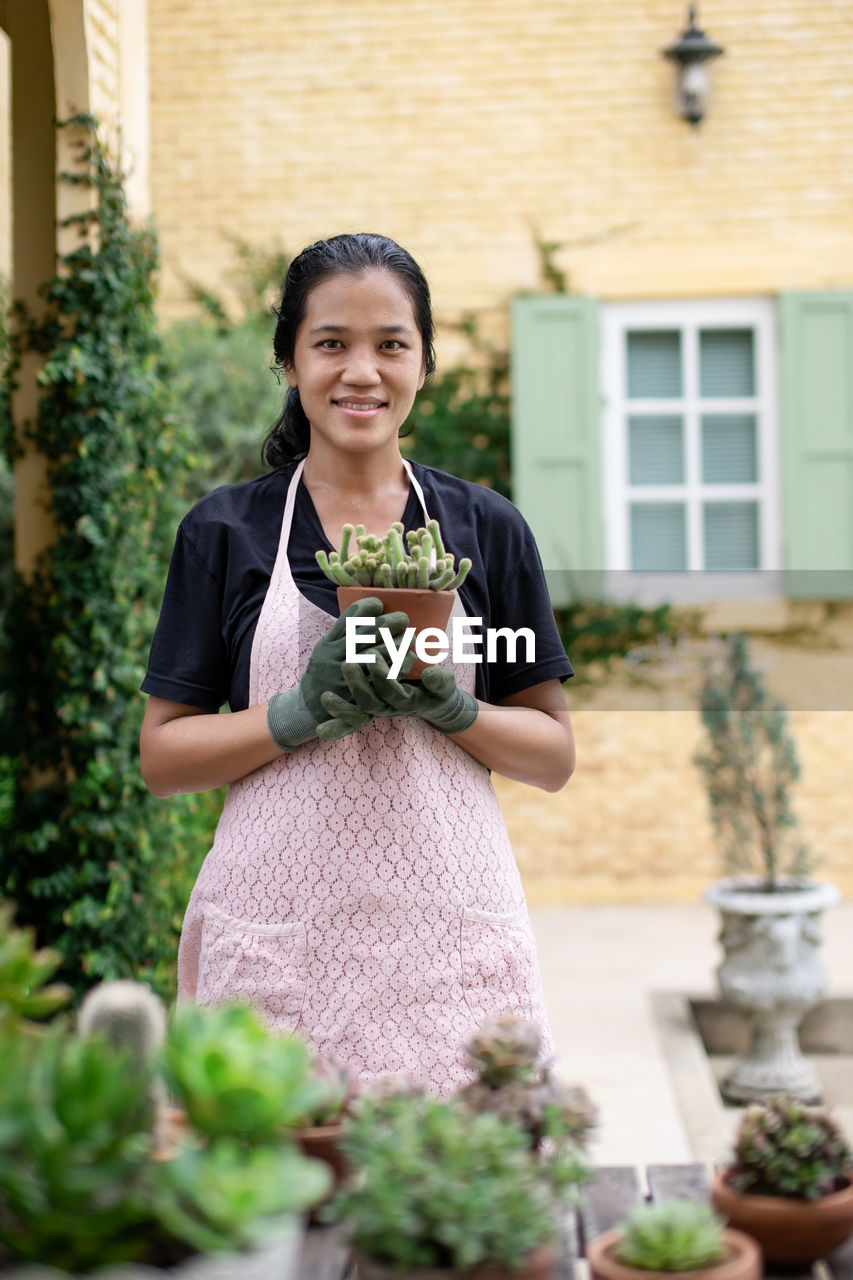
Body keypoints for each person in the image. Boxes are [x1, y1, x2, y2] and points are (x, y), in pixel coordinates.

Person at [140, 232, 575, 1092]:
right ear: (290, 362)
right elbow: (163, 758)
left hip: (448, 939)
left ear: (424, 361)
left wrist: (455, 709)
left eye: (390, 345)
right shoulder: (225, 533)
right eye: (330, 343)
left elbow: (551, 754)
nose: (360, 372)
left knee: (458, 1199)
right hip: (277, 937)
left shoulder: (486, 529)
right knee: (277, 1200)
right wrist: (294, 713)